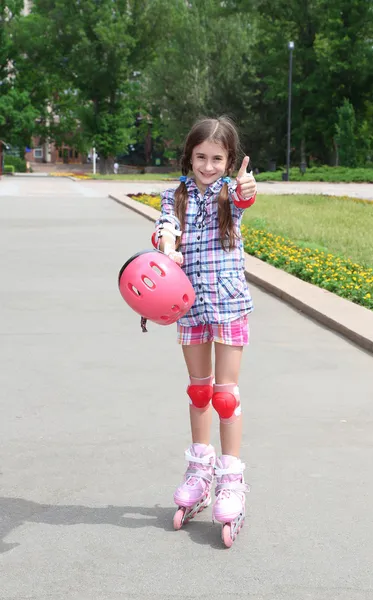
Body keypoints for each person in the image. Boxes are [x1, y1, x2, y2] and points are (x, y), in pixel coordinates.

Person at [153, 116, 257, 547]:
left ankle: (231, 478)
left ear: (230, 161)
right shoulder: (173, 195)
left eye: (218, 158)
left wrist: (246, 189)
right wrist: (167, 247)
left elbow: (246, 198)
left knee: (225, 395)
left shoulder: (231, 193)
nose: (208, 165)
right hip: (191, 305)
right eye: (201, 157)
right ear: (189, 155)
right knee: (199, 391)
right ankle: (199, 473)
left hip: (229, 302)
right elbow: (166, 229)